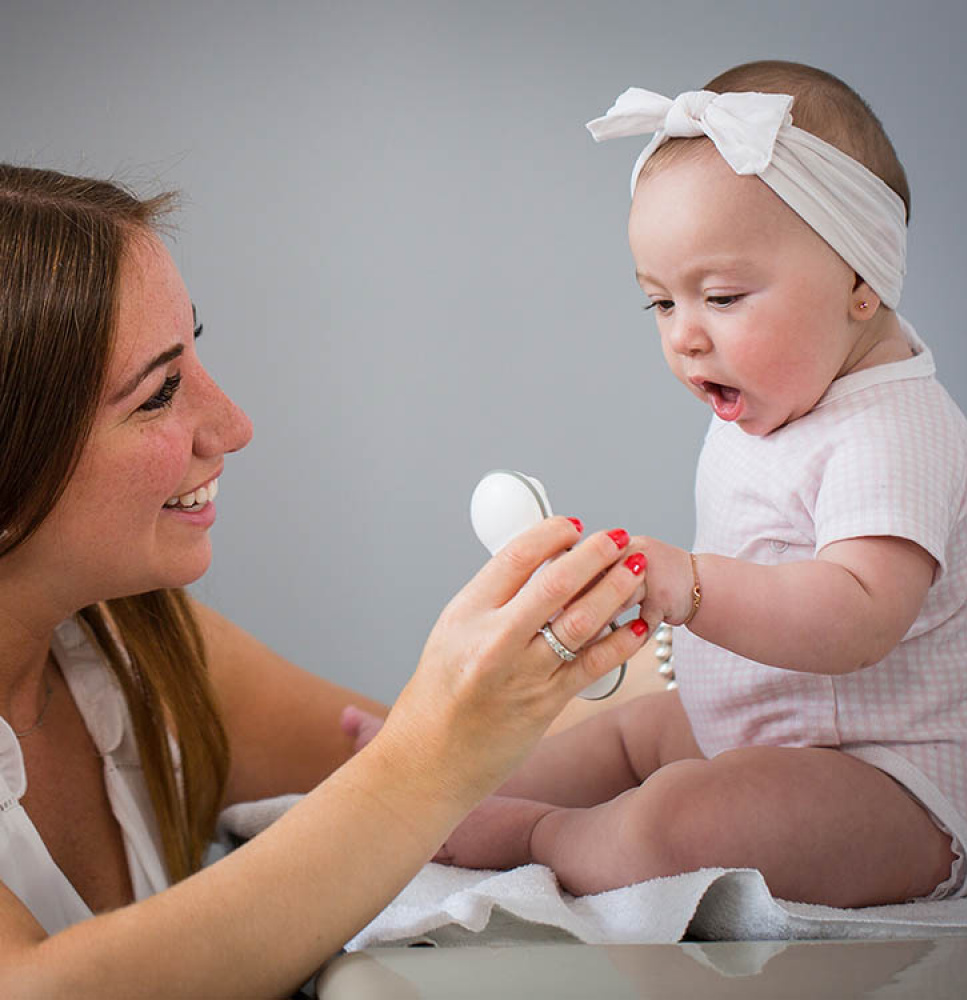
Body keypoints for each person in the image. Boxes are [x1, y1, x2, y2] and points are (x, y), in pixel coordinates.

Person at [0, 163, 652, 995]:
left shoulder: (131, 653)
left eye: (196, 352)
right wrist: (435, 753)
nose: (234, 426)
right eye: (161, 392)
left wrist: (691, 656)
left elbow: (473, 772)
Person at [411, 61, 967, 907]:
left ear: (863, 282)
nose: (685, 337)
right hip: (756, 733)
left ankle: (537, 836)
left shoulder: (894, 430)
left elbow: (861, 617)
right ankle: (434, 787)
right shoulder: (778, 390)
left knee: (681, 821)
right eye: (659, 303)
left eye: (720, 296)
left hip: (897, 780)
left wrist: (688, 585)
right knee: (627, 735)